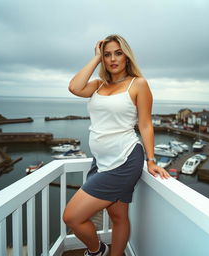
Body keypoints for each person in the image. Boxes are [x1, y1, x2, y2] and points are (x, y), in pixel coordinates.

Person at [63, 34, 170, 256]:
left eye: (118, 53)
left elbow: (145, 124)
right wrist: (95, 58)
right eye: (107, 54)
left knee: (71, 216)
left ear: (127, 56)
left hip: (126, 159)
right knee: (119, 217)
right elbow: (74, 87)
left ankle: (97, 250)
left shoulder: (137, 84)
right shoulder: (98, 84)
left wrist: (151, 161)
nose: (113, 59)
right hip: (100, 161)